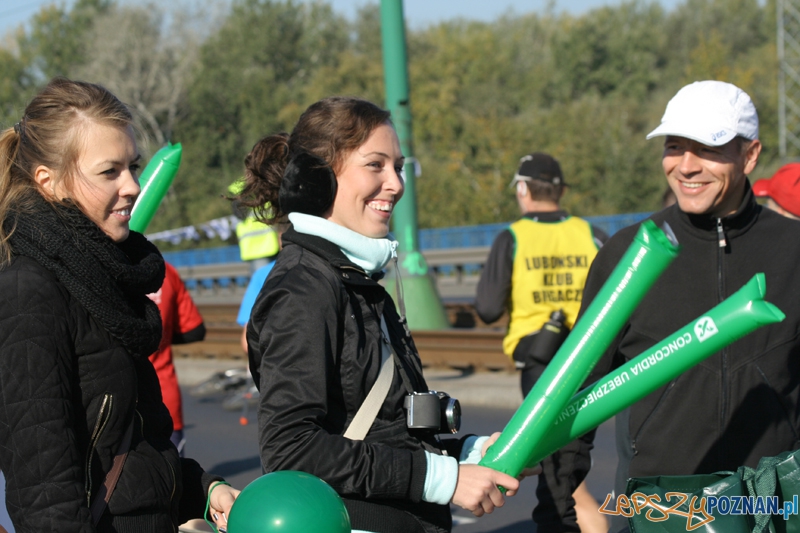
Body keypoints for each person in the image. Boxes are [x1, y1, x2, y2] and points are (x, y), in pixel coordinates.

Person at [234, 96, 530, 533]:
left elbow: (384, 432)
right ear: (317, 180)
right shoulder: (302, 288)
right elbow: (290, 449)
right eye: (376, 165)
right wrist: (442, 480)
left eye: (399, 166)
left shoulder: (353, 278)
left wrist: (470, 455)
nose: (395, 183)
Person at [534, 80, 800, 533]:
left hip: (774, 514)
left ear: (750, 155)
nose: (686, 166)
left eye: (708, 149)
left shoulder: (793, 250)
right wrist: (556, 517)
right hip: (661, 512)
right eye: (674, 147)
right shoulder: (628, 255)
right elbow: (571, 398)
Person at [0, 77, 239, 532]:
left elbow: (133, 445)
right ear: (48, 183)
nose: (133, 185)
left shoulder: (103, 276)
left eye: (134, 166)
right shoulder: (26, 290)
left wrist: (204, 488)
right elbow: (44, 495)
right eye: (110, 172)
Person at [474, 153, 608, 533]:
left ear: (522, 189)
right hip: (590, 359)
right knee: (571, 469)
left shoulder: (513, 237)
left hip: (540, 367)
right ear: (561, 190)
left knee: (557, 481)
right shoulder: (591, 233)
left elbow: (485, 308)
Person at [147, 260, 207, 456]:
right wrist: (161, 336)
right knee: (175, 477)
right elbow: (194, 330)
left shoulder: (96, 266)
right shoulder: (163, 269)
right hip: (165, 398)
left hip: (115, 404)